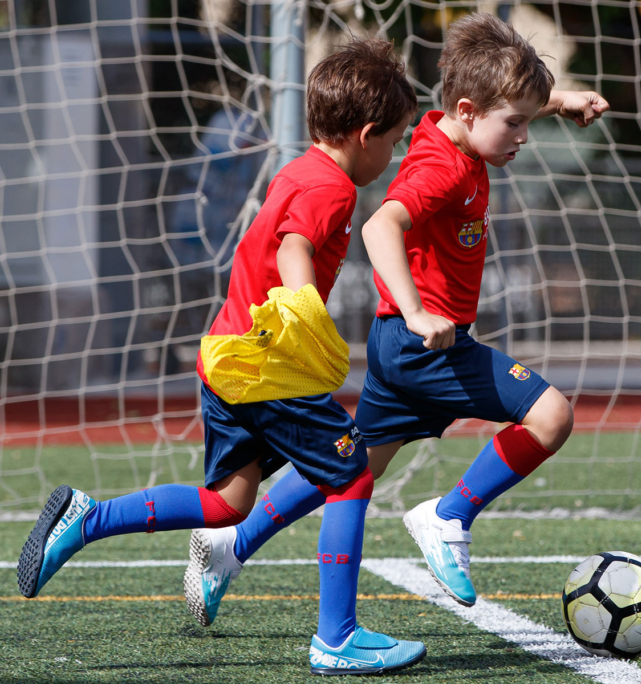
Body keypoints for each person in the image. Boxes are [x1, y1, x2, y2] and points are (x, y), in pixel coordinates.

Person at [17, 38, 426, 677]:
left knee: (228, 504)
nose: (395, 153)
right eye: (395, 140)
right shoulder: (334, 191)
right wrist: (303, 316)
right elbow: (295, 249)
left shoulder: (298, 169)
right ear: (367, 134)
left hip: (228, 358)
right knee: (350, 475)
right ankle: (337, 639)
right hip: (269, 367)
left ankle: (86, 519)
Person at [183, 11, 608, 621]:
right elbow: (384, 223)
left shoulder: (454, 129)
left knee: (349, 465)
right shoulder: (440, 168)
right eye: (514, 123)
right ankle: (449, 514)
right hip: (418, 345)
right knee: (551, 416)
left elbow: (493, 111)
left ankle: (231, 546)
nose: (520, 135)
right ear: (467, 112)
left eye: (523, 120)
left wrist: (556, 100)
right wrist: (414, 310)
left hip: (401, 345)